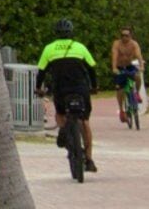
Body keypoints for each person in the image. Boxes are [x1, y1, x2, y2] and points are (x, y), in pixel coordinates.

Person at [37, 19, 103, 183]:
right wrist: (94, 86)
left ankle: (63, 130)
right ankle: (89, 159)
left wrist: (39, 88)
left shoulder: (49, 49)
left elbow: (41, 72)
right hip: (81, 89)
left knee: (60, 112)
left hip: (61, 89)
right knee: (85, 121)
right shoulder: (80, 47)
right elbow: (91, 68)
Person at [109, 30, 146, 129]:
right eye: (122, 35)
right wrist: (114, 68)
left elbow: (138, 55)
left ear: (130, 36)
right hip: (120, 68)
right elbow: (114, 56)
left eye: (127, 35)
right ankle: (121, 110)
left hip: (129, 66)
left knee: (137, 77)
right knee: (120, 89)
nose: (124, 37)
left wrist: (141, 66)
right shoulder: (117, 44)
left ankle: (137, 93)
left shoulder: (134, 44)